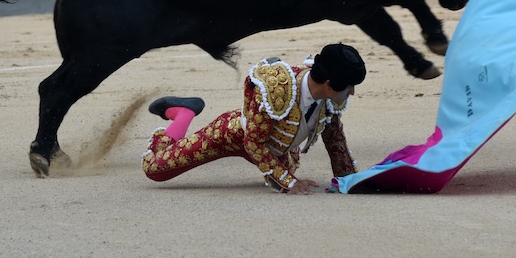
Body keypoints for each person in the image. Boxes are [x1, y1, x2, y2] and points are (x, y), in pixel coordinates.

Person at [142, 43, 367, 195]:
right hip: (232, 135)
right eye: (350, 86)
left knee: (284, 172)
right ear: (328, 84)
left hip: (278, 148)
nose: (352, 92)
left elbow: (335, 141)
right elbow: (253, 142)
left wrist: (349, 181)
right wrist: (289, 182)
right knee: (154, 169)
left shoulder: (330, 100)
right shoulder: (277, 86)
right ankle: (183, 113)